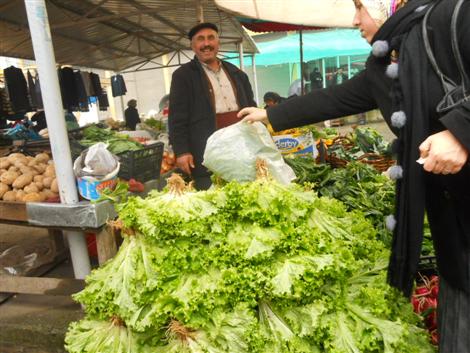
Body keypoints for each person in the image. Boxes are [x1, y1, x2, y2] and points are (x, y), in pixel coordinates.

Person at [238, 1, 470, 351]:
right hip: (454, 222)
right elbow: (340, 96)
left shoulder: (454, 15)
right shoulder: (388, 63)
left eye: (360, 7)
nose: (355, 20)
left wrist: (460, 132)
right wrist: (270, 115)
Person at [168, 22, 256, 190]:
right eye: (200, 39)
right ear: (192, 45)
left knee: (244, 187)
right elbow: (176, 118)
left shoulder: (236, 73)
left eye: (211, 38)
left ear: (218, 42)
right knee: (211, 191)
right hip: (206, 148)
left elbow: (251, 106)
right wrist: (182, 151)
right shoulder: (183, 76)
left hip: (240, 145)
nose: (206, 44)